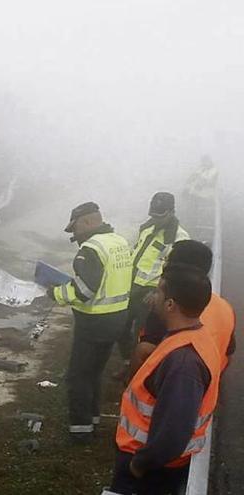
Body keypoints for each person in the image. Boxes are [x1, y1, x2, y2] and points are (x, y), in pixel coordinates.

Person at [108, 264, 221, 495]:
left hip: (149, 470)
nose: (153, 296)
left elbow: (174, 431)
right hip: (153, 463)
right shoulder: (194, 336)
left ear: (170, 305)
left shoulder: (183, 362)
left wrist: (139, 464)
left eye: (159, 292)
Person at [50, 202, 133, 442]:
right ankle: (93, 418)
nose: (74, 234)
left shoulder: (90, 249)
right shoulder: (117, 241)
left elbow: (84, 291)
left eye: (74, 228)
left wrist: (55, 293)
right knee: (94, 372)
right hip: (117, 318)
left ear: (86, 222)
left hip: (94, 322)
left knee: (78, 377)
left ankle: (80, 430)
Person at [128, 240, 235, 379]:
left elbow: (144, 352)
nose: (164, 263)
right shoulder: (224, 307)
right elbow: (228, 354)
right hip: (209, 383)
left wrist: (131, 381)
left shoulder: (169, 308)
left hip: (165, 389)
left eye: (167, 260)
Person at [117, 193, 190, 371]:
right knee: (121, 326)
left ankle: (138, 371)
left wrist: (158, 293)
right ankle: (127, 361)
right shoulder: (147, 228)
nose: (156, 220)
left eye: (161, 216)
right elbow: (135, 253)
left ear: (171, 212)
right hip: (132, 286)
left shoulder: (180, 239)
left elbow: (176, 273)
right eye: (154, 216)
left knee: (142, 334)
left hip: (152, 292)